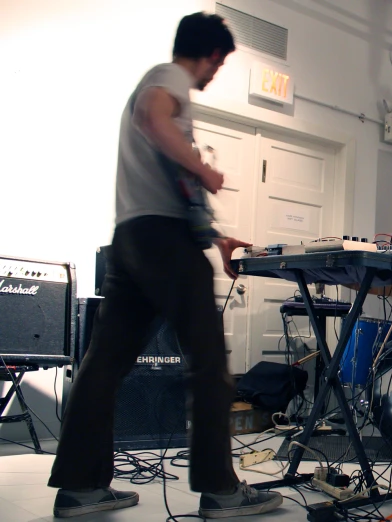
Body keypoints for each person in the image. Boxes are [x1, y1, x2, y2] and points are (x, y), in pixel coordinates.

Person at [47, 13, 283, 518]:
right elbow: (152, 119)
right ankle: (221, 492)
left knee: (104, 365)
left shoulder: (158, 82)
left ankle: (80, 487)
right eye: (218, 64)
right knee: (209, 365)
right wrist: (204, 166)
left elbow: (170, 181)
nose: (215, 73)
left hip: (132, 239)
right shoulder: (168, 79)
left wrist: (216, 238)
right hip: (164, 242)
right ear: (208, 55)